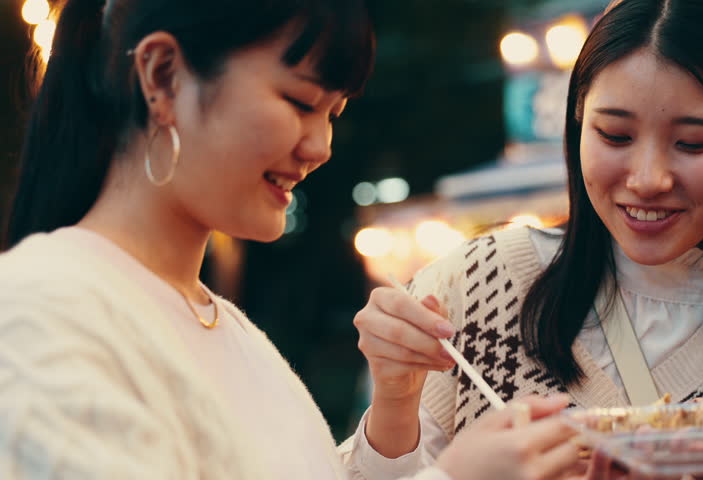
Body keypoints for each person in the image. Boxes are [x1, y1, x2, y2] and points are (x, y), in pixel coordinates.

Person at [0, 0, 582, 478]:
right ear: (162, 76)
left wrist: (396, 402)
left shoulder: (227, 329)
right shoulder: (44, 306)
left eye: (332, 113)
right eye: (301, 102)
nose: (321, 146)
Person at [347, 0, 703, 478]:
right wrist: (395, 401)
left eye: (694, 142)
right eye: (614, 135)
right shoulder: (479, 287)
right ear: (577, 121)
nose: (648, 178)